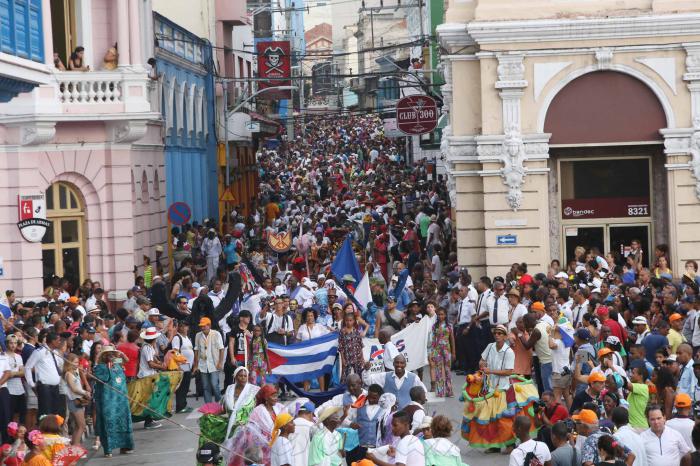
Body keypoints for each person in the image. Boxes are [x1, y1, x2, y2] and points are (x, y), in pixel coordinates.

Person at [93, 345, 134, 457]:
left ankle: (126, 446)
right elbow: (101, 377)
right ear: (104, 355)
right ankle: (108, 449)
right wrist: (98, 360)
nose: (111, 355)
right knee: (109, 423)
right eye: (108, 354)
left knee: (124, 421)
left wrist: (120, 354)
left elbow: (126, 360)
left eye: (112, 353)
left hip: (121, 400)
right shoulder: (100, 367)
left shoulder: (117, 362)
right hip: (109, 402)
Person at [227, 384, 284, 466]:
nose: (276, 399)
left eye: (276, 396)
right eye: (273, 396)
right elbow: (252, 429)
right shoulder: (258, 411)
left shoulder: (279, 407)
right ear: (266, 397)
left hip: (278, 443)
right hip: (264, 447)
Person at [362, 355, 427, 410]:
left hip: (407, 416)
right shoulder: (385, 376)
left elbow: (423, 391)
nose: (399, 365)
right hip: (389, 416)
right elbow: (368, 380)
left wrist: (416, 406)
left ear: (405, 364)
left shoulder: (413, 377)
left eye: (402, 363)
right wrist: (366, 370)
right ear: (393, 364)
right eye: (397, 362)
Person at [24, 332, 62, 417]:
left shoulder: (55, 352)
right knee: (46, 414)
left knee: (55, 414)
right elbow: (27, 367)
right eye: (58, 340)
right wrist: (31, 383)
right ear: (52, 341)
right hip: (45, 387)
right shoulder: (40, 351)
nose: (60, 342)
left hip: (55, 388)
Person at [137, 326, 166, 429]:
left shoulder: (149, 347)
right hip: (147, 376)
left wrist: (159, 362)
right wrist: (161, 367)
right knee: (149, 399)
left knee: (151, 398)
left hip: (149, 375)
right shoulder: (147, 348)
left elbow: (154, 359)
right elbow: (151, 364)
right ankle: (148, 421)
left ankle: (151, 418)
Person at [222, 366, 260, 440]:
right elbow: (224, 408)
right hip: (231, 425)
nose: (243, 378)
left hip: (247, 427)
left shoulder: (253, 391)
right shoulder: (229, 389)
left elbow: (258, 409)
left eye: (245, 376)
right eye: (240, 376)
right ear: (235, 377)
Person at [193, 317, 224, 403]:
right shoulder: (198, 335)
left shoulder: (216, 334)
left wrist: (220, 363)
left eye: (204, 326)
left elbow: (221, 349)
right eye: (201, 326)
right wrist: (195, 365)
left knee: (214, 384)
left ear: (209, 325)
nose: (202, 328)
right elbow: (196, 350)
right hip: (203, 364)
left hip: (214, 364)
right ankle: (208, 405)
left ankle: (219, 402)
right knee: (206, 386)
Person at [63, 353, 90, 446]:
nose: (77, 364)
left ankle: (75, 445)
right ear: (69, 363)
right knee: (82, 426)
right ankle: (76, 446)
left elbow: (81, 380)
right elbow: (74, 388)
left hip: (78, 400)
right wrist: (84, 392)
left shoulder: (76, 371)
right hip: (73, 401)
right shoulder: (68, 374)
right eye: (75, 362)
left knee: (78, 426)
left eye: (78, 362)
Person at [428, 307, 455, 397]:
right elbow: (433, 340)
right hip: (437, 350)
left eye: (442, 314)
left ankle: (449, 391)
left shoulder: (449, 326)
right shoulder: (434, 326)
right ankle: (440, 391)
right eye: (439, 314)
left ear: (445, 315)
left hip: (447, 350)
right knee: (438, 371)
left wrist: (454, 352)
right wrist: (432, 352)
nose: (440, 316)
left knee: (447, 370)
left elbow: (452, 340)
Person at [479, 324, 515, 390]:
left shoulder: (509, 352)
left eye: (499, 333)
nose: (496, 335)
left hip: (502, 389)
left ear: (505, 337)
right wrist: (482, 365)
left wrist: (490, 371)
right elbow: (482, 360)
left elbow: (508, 372)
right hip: (487, 386)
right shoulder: (490, 346)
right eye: (495, 333)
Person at [170, 320, 194, 413]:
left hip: (188, 366)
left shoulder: (187, 338)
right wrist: (179, 365)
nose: (184, 328)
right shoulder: (177, 338)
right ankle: (180, 407)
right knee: (182, 387)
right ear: (178, 328)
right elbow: (175, 351)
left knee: (186, 386)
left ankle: (183, 404)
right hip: (181, 366)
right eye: (181, 326)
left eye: (185, 326)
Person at [290, 401, 315, 466]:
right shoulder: (312, 426)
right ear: (311, 413)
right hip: (306, 462)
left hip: (290, 462)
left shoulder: (288, 425)